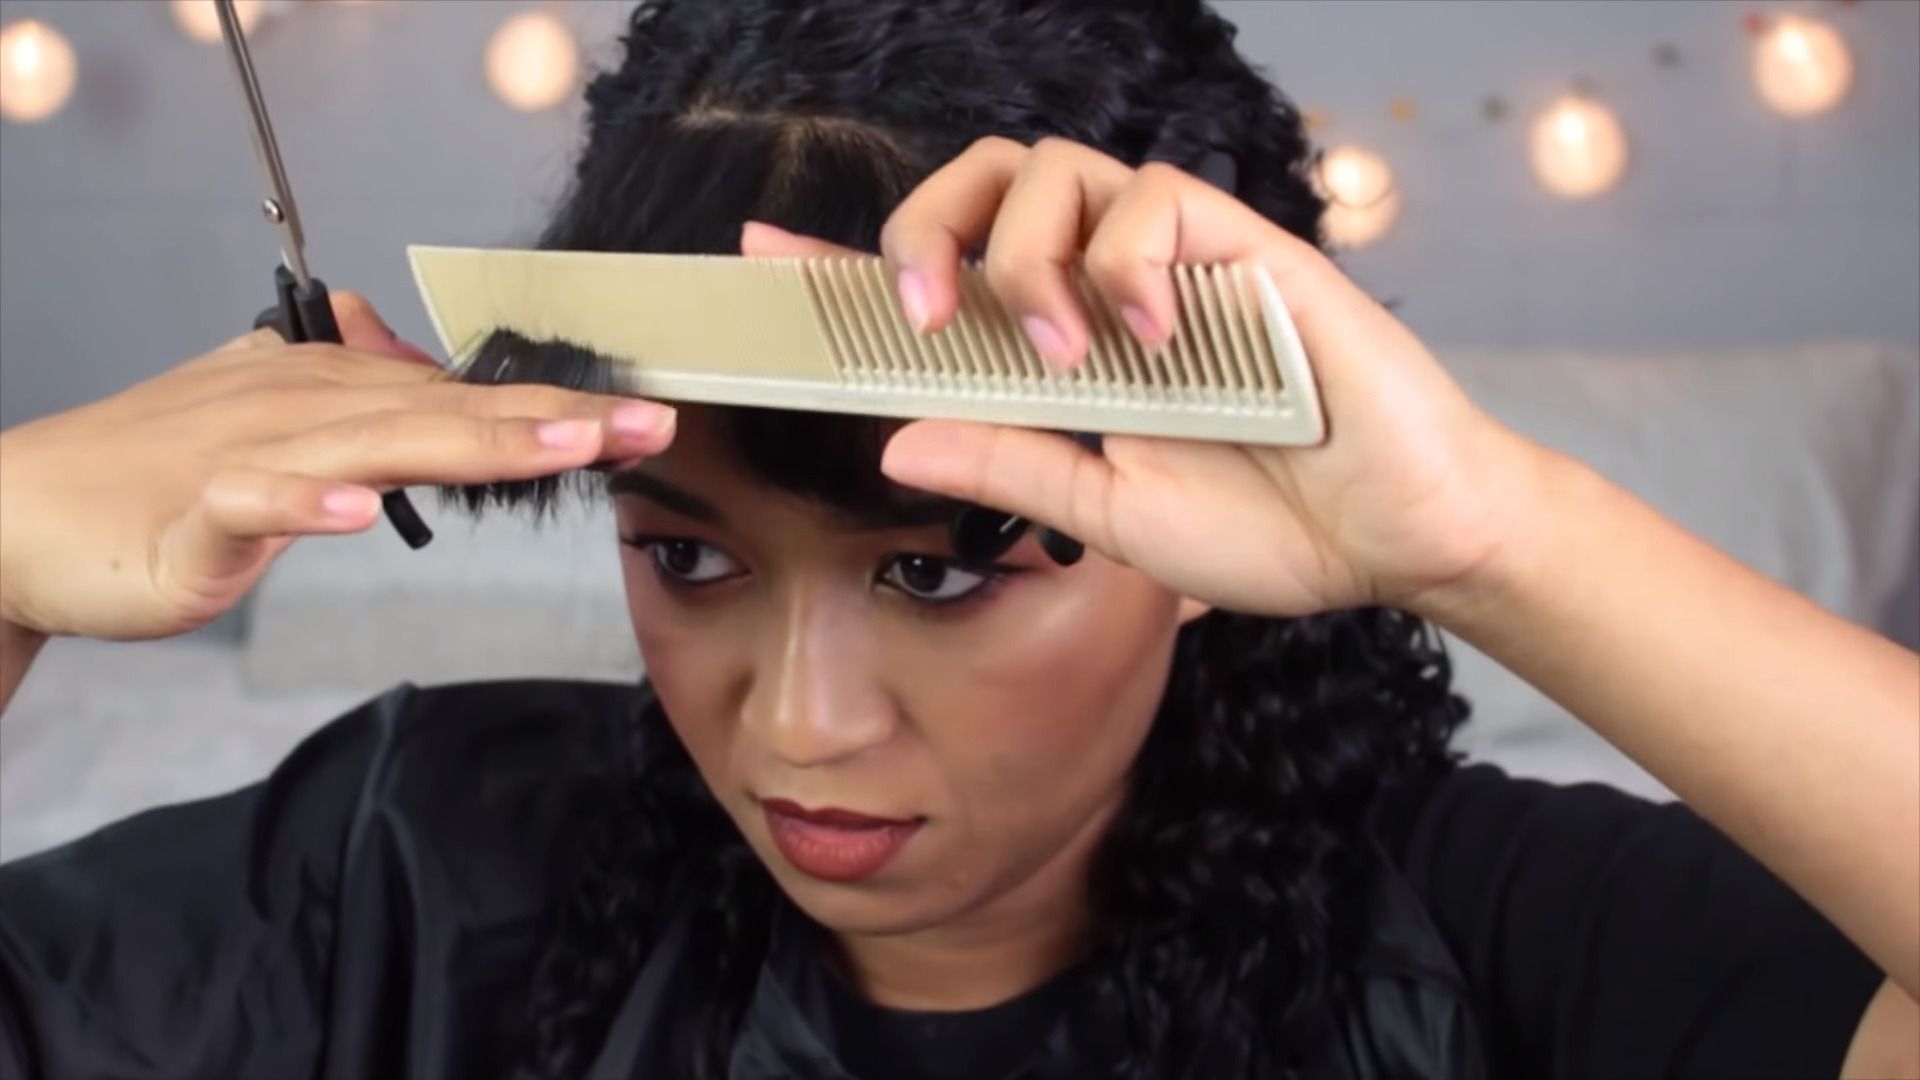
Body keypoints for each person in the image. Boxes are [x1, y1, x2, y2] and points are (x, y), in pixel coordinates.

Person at [0, 1, 1914, 1077]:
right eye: (689, 558)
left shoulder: (1505, 940)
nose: (799, 729)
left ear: (1200, 532)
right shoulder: (410, 873)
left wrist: (1494, 536)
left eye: (938, 567)